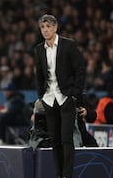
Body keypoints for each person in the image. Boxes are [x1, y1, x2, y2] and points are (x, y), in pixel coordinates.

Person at [34, 14, 86, 178]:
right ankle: (59, 174)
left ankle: (67, 175)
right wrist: (41, 95)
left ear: (55, 28)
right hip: (49, 99)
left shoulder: (68, 45)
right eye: (43, 27)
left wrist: (75, 94)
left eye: (48, 26)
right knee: (55, 141)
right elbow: (39, 74)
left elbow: (80, 70)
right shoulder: (38, 49)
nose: (45, 30)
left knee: (66, 139)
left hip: (66, 98)